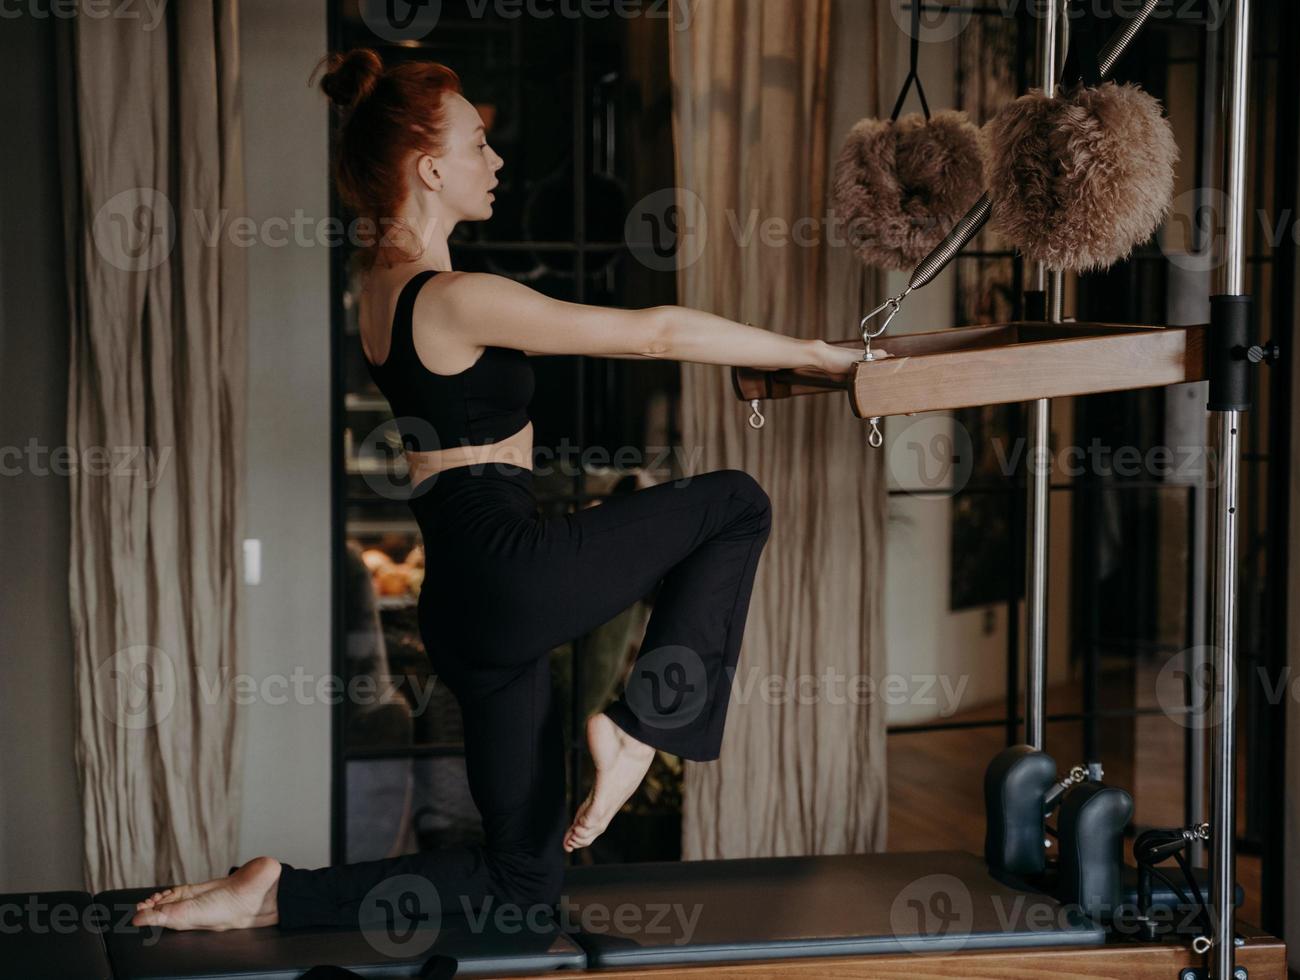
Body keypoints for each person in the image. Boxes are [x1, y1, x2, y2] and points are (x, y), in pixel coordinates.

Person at [132, 48, 888, 933]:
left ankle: (271, 892)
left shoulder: (378, 291)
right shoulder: (449, 296)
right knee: (735, 506)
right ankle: (640, 734)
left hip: (466, 600)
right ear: (429, 167)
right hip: (506, 568)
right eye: (479, 145)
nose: (496, 162)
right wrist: (816, 356)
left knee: (523, 879)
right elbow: (653, 334)